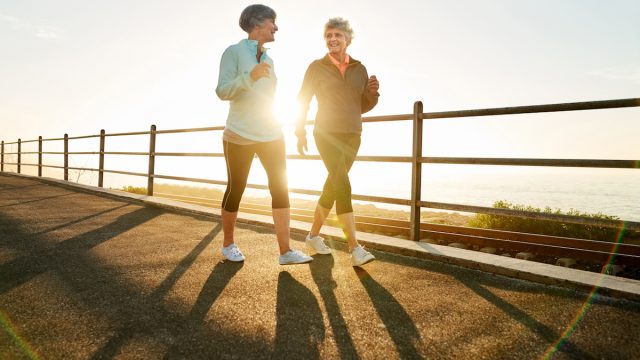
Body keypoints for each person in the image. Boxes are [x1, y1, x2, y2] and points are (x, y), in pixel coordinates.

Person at [216, 4, 312, 265]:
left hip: (271, 133)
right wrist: (249, 77)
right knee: (236, 188)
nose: (276, 27)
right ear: (257, 23)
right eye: (273, 22)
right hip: (239, 133)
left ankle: (285, 251)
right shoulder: (234, 52)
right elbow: (223, 91)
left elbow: (268, 98)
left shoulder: (269, 60)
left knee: (281, 188)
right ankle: (228, 244)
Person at [295, 17, 380, 266]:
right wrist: (299, 131)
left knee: (333, 186)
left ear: (348, 39)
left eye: (338, 36)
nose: (333, 39)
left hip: (353, 134)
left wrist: (373, 95)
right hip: (326, 133)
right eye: (329, 36)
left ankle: (312, 236)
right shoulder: (316, 67)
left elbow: (361, 106)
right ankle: (354, 249)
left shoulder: (360, 69)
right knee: (343, 184)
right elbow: (303, 99)